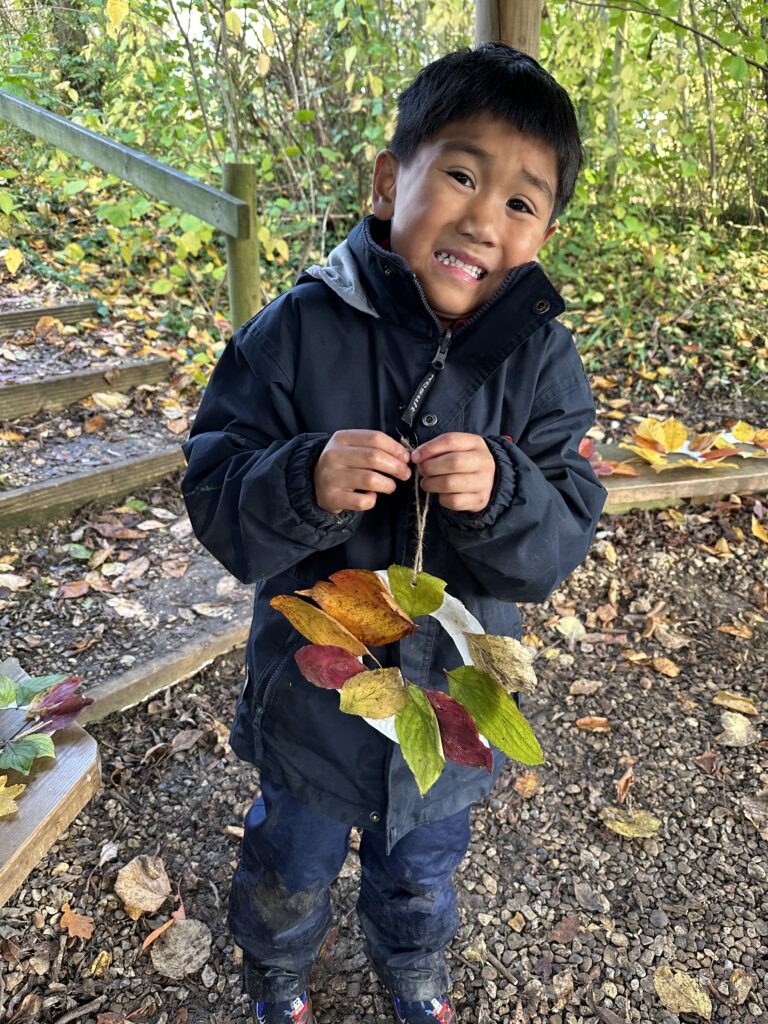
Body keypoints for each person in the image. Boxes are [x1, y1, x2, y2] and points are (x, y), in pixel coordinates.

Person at [181, 42, 606, 1024]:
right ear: (389, 180)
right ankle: (275, 972)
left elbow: (557, 546)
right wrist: (306, 473)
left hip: (454, 715)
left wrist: (503, 489)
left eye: (520, 202)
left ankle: (411, 964)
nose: (481, 217)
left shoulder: (543, 365)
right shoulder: (294, 330)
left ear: (543, 233)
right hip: (312, 701)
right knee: (290, 856)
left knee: (423, 869)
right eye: (460, 174)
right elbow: (215, 491)